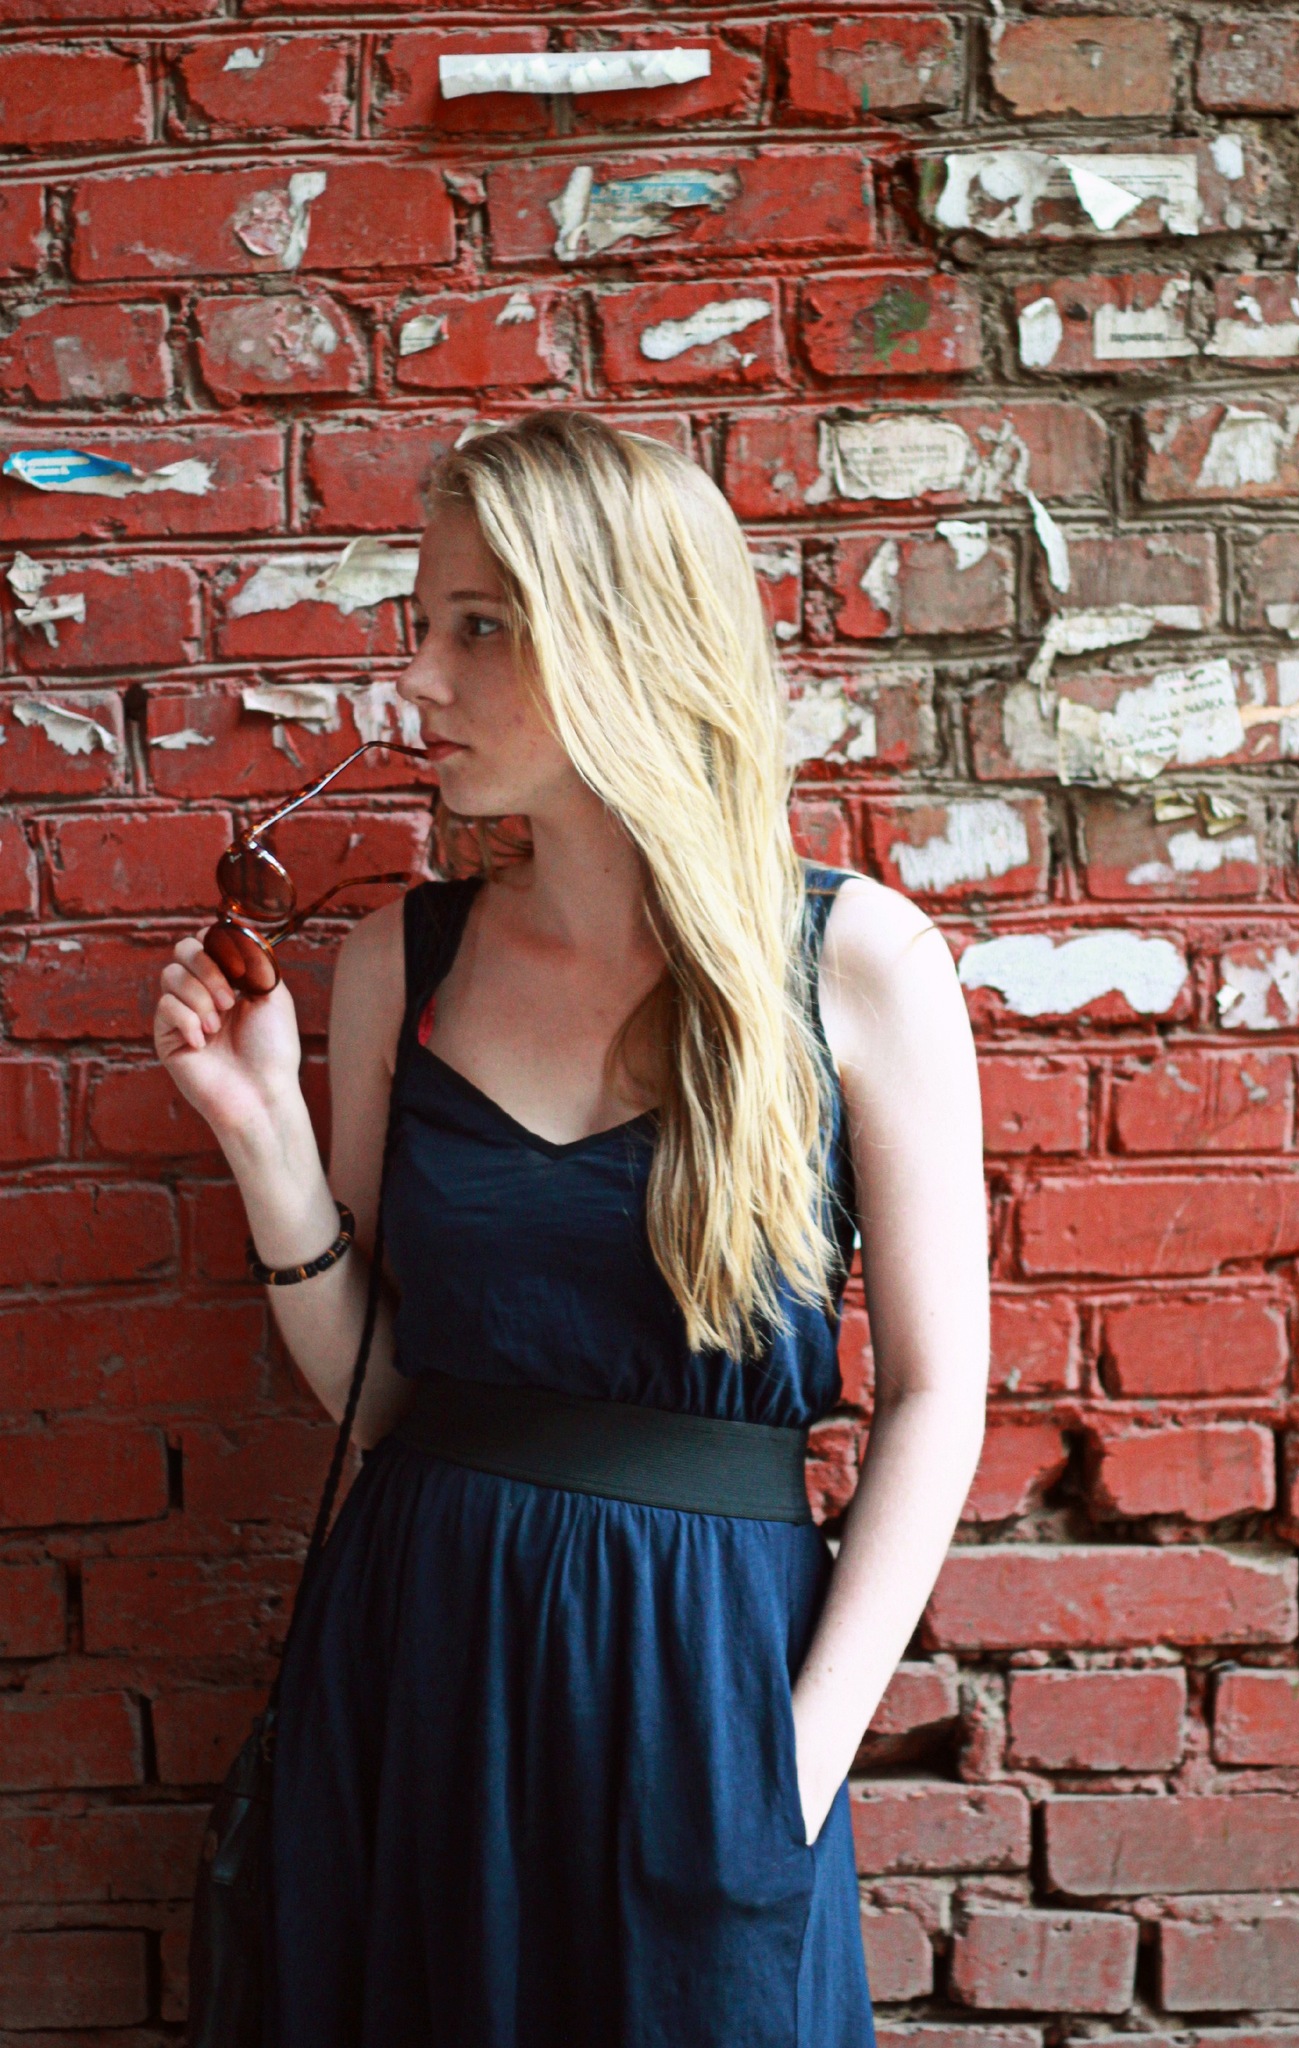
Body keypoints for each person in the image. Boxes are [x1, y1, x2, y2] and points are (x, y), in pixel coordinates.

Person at [153, 411, 989, 2048]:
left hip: (707, 1682)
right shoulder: (401, 964)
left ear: (621, 634)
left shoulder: (857, 964)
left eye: (477, 627)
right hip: (418, 1662)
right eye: (421, 624)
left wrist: (795, 1764)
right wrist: (262, 1138)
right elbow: (386, 1401)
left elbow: (936, 1397)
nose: (416, 680)